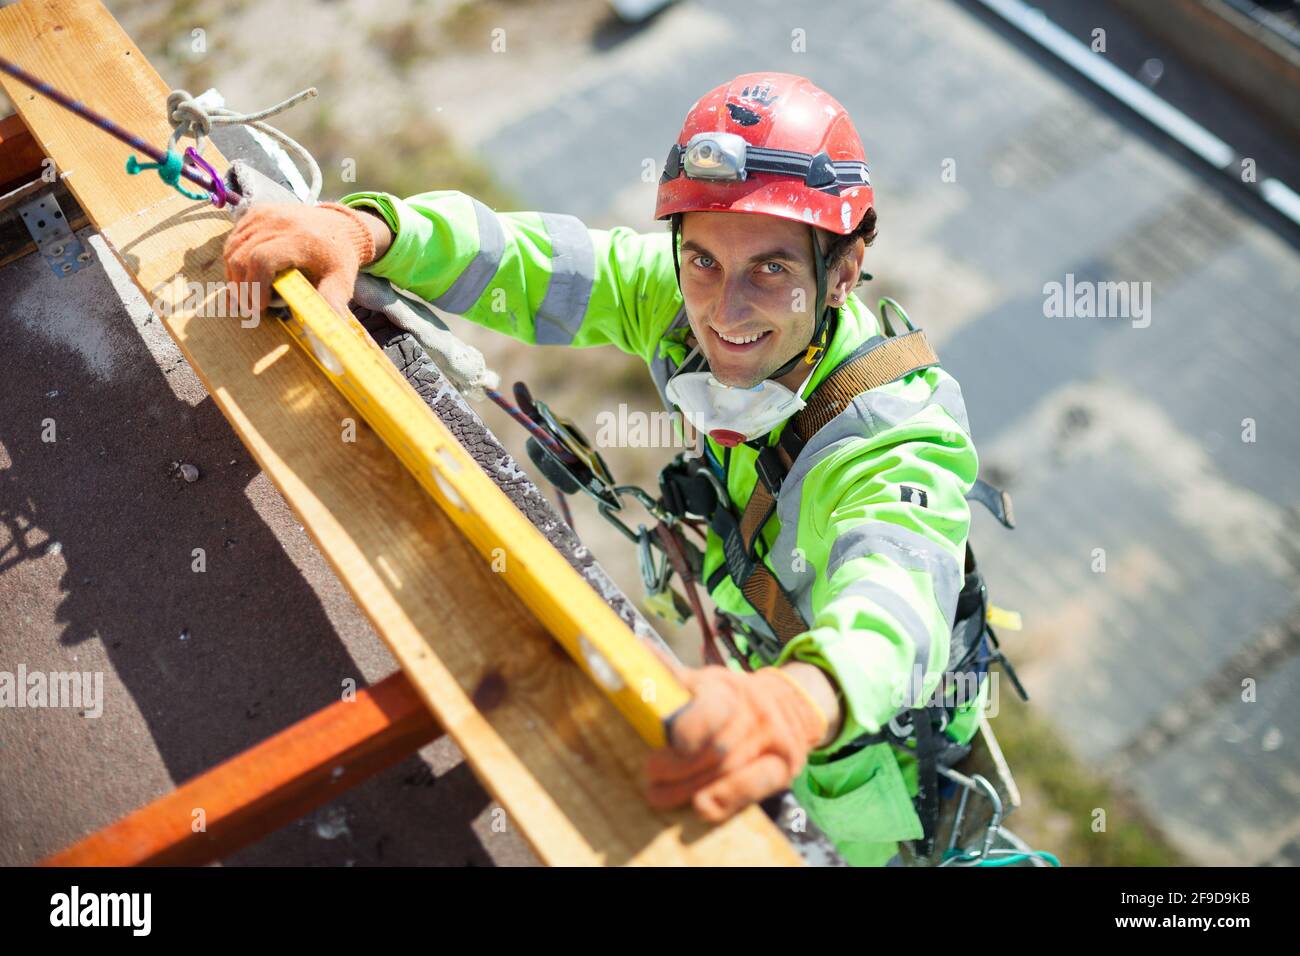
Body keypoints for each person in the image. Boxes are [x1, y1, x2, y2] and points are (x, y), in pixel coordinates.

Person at [223, 72, 985, 867]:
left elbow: (899, 594)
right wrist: (368, 232)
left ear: (846, 269)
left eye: (771, 271)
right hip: (762, 681)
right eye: (702, 263)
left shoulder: (893, 438)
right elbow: (538, 263)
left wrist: (799, 701)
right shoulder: (685, 302)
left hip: (872, 771)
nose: (723, 314)